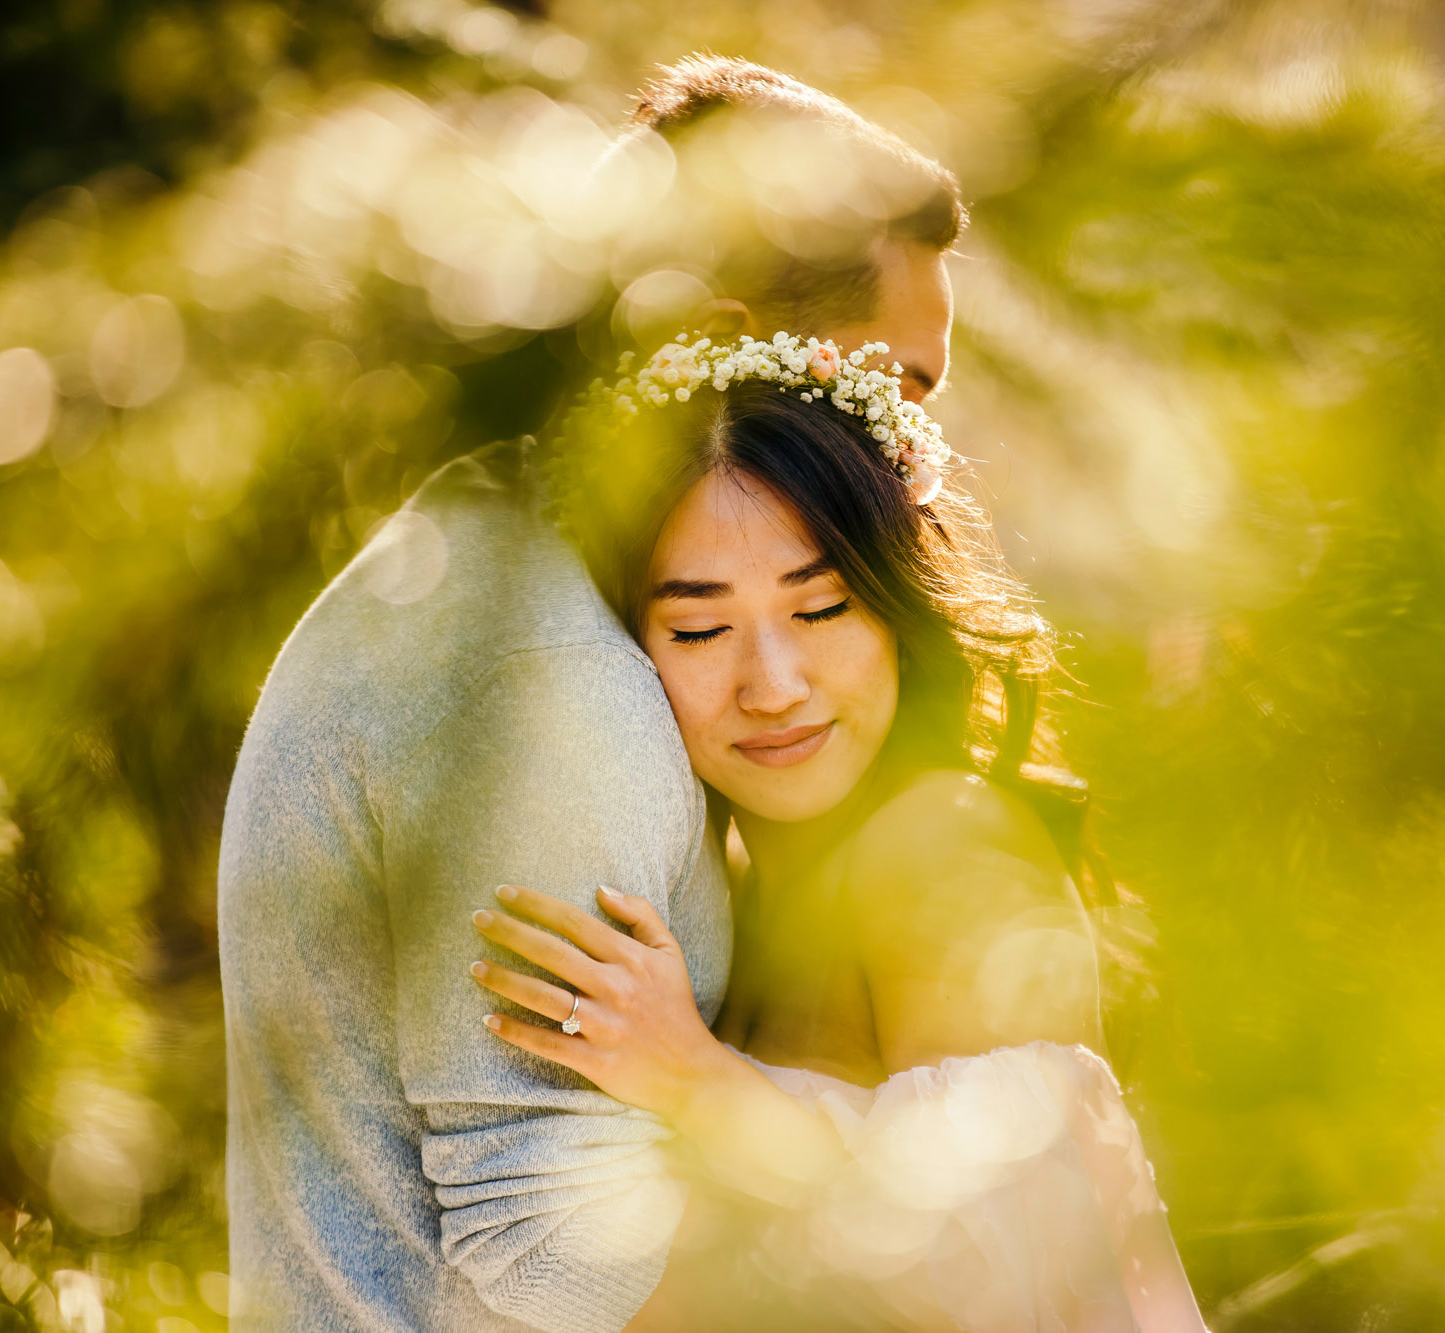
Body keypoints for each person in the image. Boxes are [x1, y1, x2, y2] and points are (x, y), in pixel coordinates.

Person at [216, 57, 962, 1332]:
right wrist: (945, 1260)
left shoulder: (501, 545)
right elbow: (550, 1248)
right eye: (888, 393)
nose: (913, 473)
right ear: (720, 345)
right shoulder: (549, 682)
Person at [468, 334, 1213, 1331]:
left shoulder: (939, 839)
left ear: (895, 604)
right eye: (698, 630)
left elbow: (1007, 1263)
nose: (772, 686)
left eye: (820, 608)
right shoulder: (728, 891)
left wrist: (694, 1077)